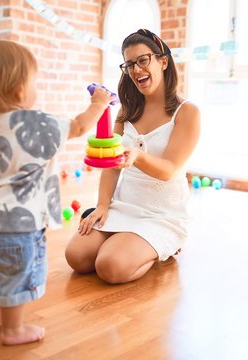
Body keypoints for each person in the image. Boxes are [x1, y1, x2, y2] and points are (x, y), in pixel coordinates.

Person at [0, 40, 115, 345]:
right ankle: (12, 329)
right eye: (34, 81)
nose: (37, 88)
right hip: (18, 225)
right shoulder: (34, 123)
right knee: (16, 274)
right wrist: (98, 104)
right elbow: (76, 127)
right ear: (21, 90)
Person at [64, 29, 201, 284]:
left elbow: (170, 169)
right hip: (124, 205)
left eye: (142, 60)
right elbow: (112, 165)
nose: (136, 70)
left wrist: (137, 156)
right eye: (129, 64)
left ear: (163, 61)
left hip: (161, 214)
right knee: (77, 257)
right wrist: (103, 205)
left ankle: (163, 247)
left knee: (109, 266)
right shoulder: (126, 110)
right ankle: (125, 241)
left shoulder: (187, 112)